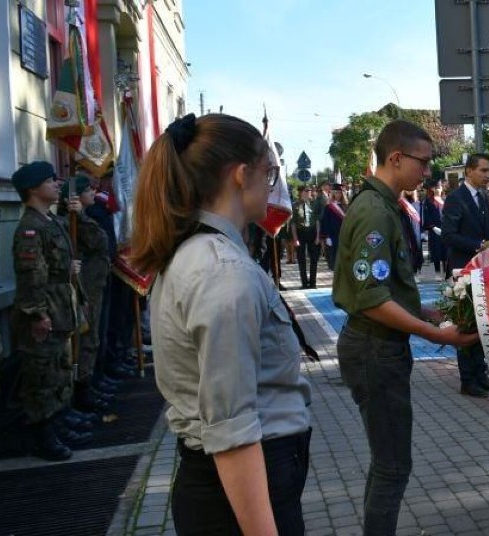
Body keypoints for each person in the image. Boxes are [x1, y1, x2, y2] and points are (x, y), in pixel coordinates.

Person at [131, 113, 312, 536]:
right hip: (241, 494)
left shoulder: (202, 253)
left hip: (231, 489)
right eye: (269, 173)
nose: (273, 187)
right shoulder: (223, 271)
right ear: (240, 175)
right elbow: (233, 431)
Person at [332, 119, 477, 536]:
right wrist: (436, 335)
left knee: (388, 463)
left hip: (377, 346)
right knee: (393, 465)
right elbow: (371, 298)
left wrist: (430, 314)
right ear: (396, 158)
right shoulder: (375, 211)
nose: (428, 172)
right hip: (374, 349)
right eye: (424, 162)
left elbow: (385, 289)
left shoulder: (382, 204)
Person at [11, 161, 90, 460]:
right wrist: (37, 314)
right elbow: (30, 275)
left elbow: (55, 264)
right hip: (45, 311)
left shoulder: (49, 221)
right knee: (41, 376)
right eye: (50, 180)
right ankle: (44, 436)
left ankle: (58, 422)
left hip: (60, 306)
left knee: (58, 371)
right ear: (33, 189)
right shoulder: (30, 228)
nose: (57, 184)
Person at [441, 153, 489, 398]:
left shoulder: (484, 197)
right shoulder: (456, 199)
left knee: (482, 320)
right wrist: (478, 246)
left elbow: (488, 231)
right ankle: (467, 379)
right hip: (463, 269)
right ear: (469, 171)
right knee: (466, 322)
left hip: (483, 269)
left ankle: (480, 372)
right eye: (483, 171)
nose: (487, 176)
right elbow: (448, 235)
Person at [57, 176, 112, 415]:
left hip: (94, 285)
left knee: (93, 338)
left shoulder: (84, 217)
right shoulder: (69, 220)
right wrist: (79, 217)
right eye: (88, 189)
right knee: (85, 340)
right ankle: (82, 391)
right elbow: (97, 242)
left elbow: (103, 243)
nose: (94, 192)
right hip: (83, 287)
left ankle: (89, 383)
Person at [291, 184, 320, 288]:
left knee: (314, 259)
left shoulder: (314, 204)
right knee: (301, 259)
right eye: (306, 191)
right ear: (301, 193)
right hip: (300, 233)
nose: (309, 192)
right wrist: (295, 239)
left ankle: (313, 283)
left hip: (312, 232)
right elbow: (293, 223)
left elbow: (317, 221)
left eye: (309, 191)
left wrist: (317, 236)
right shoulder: (295, 205)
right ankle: (304, 283)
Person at [421, 178, 447, 273]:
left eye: (441, 187)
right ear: (433, 188)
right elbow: (426, 216)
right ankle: (437, 272)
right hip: (435, 230)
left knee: (446, 251)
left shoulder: (445, 199)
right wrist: (433, 227)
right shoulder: (428, 201)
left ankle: (446, 273)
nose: (440, 189)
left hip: (445, 229)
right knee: (436, 251)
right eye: (439, 187)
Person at [319, 183, 346, 271]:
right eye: (336, 192)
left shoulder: (347, 206)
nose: (338, 194)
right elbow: (325, 222)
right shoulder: (329, 207)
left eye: (340, 192)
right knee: (334, 256)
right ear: (333, 193)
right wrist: (327, 236)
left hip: (344, 234)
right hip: (333, 235)